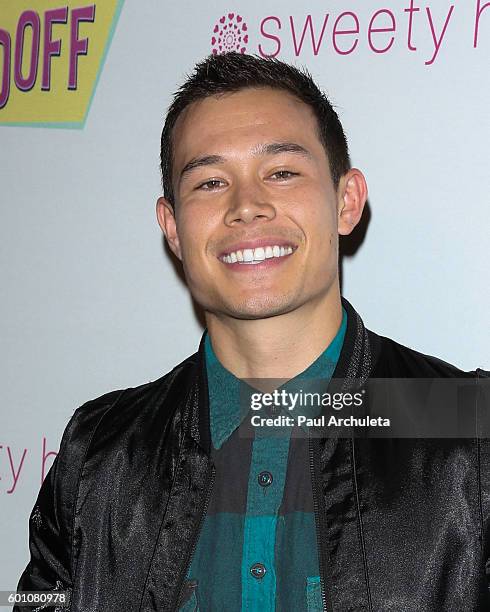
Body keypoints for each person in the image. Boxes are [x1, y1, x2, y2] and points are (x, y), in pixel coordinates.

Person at [16, 52, 489, 612]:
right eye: (211, 181)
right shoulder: (100, 453)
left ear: (346, 201)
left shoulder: (471, 428)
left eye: (282, 172)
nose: (246, 206)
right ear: (172, 227)